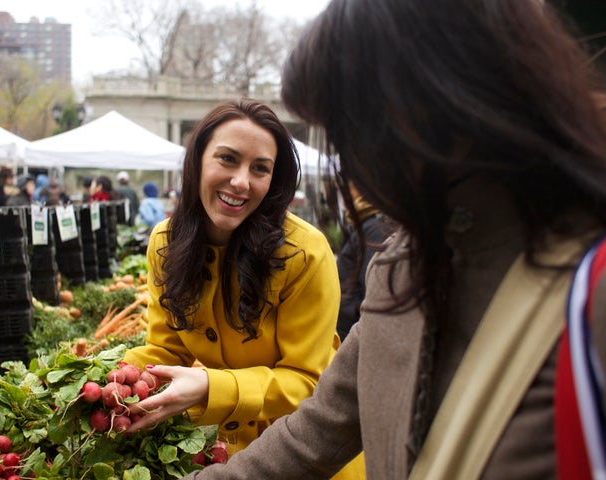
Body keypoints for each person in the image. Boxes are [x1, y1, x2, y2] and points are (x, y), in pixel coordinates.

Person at [183, 0, 606, 478]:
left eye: (358, 124)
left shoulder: (589, 282)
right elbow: (314, 433)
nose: (353, 162)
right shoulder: (399, 268)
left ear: (453, 96)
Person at [121, 98, 364, 479]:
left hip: (305, 456)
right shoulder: (165, 243)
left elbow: (308, 383)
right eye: (228, 159)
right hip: (227, 457)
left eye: (260, 169)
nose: (240, 181)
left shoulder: (304, 252)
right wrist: (108, 378)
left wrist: (210, 387)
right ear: (198, 160)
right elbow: (166, 348)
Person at [335, 182, 391, 342]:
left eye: (351, 185)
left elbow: (371, 288)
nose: (345, 192)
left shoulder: (373, 228)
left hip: (352, 336)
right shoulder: (363, 224)